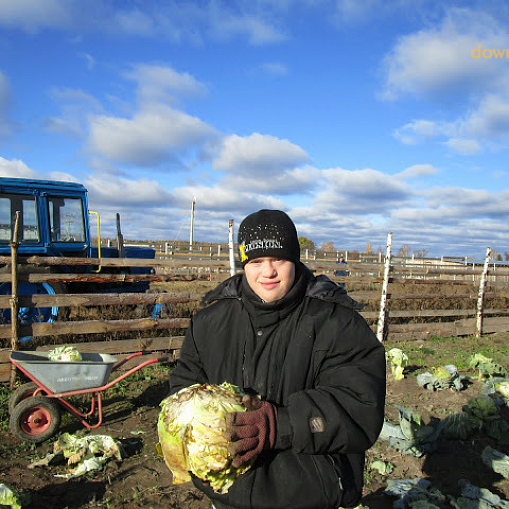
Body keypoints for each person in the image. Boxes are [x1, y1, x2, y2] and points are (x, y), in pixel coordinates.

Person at [169, 209, 386, 509]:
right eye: (256, 261)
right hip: (227, 492)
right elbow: (183, 388)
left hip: (308, 496)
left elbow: (361, 407)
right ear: (244, 263)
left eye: (279, 260)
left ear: (295, 260)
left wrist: (277, 425)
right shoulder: (210, 322)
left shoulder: (337, 324)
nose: (267, 272)